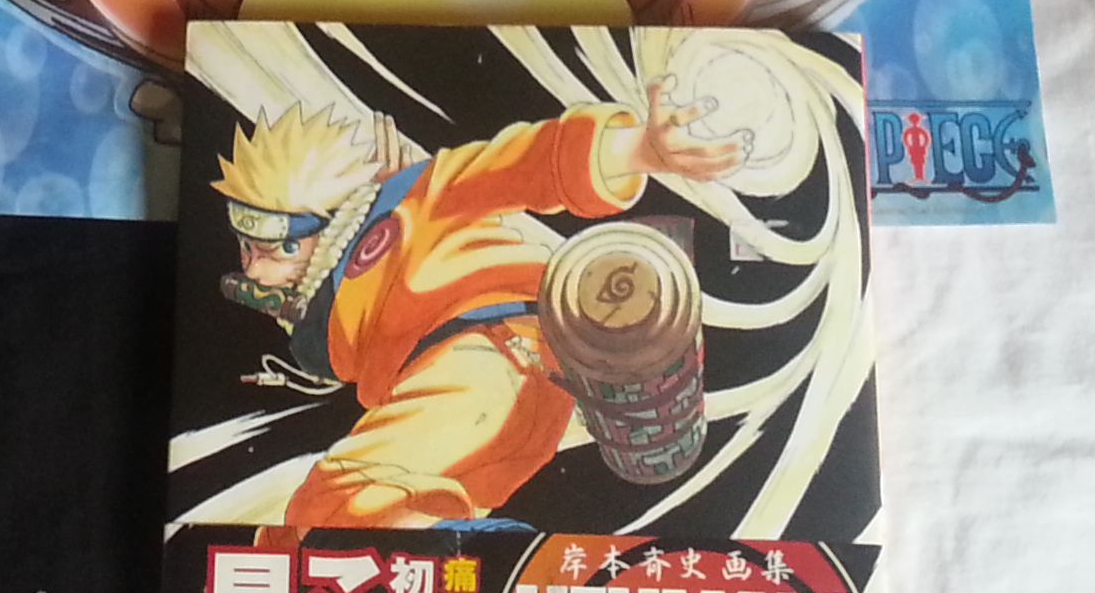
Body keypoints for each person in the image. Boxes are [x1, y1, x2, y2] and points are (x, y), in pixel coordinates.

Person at [215, 82, 741, 526]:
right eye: (248, 251)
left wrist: (636, 149)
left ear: (329, 221)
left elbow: (519, 165)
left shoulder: (415, 200)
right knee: (409, 522)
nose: (257, 272)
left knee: (337, 501)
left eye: (280, 250)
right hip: (502, 413)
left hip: (482, 362)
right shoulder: (331, 302)